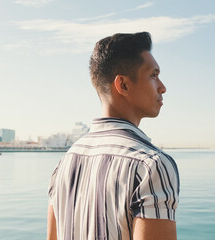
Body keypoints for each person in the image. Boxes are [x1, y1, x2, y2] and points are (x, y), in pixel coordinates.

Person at [47, 32, 179, 240]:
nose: (163, 87)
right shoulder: (151, 166)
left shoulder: (64, 163)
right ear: (123, 85)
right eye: (153, 75)